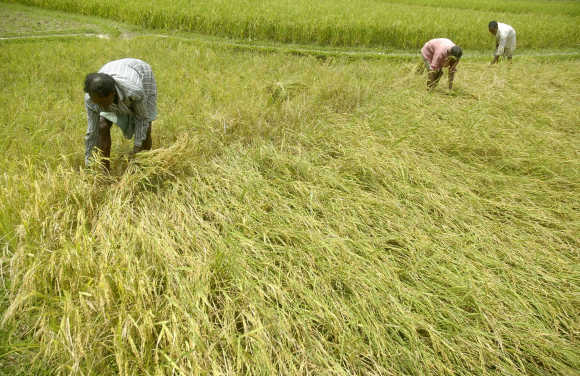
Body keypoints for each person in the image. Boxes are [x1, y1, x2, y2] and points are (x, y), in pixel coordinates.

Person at [83, 58, 157, 171]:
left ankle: (144, 167)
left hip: (141, 73)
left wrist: (137, 150)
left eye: (104, 103)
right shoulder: (91, 99)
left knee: (146, 129)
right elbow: (91, 132)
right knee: (101, 126)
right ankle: (105, 172)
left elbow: (142, 119)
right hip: (114, 70)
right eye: (97, 103)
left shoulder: (134, 91)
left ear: (112, 94)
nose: (101, 107)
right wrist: (88, 162)